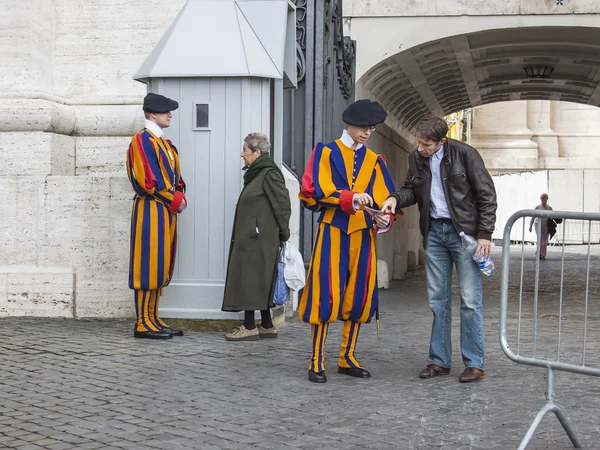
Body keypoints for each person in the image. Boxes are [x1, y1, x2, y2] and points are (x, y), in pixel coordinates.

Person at [381, 114, 497, 383]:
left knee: (470, 299)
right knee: (437, 300)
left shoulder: (465, 154)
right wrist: (394, 199)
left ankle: (474, 363)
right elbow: (411, 189)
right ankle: (439, 361)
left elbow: (486, 194)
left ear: (442, 141)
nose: (420, 148)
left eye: (426, 145)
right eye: (418, 143)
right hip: (433, 232)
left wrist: (484, 234)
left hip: (464, 234)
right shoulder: (416, 158)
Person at [299, 99, 398, 383]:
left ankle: (347, 355)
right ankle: (316, 358)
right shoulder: (325, 152)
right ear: (350, 124)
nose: (368, 133)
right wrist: (350, 198)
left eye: (372, 129)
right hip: (333, 229)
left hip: (364, 234)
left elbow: (385, 198)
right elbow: (312, 192)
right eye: (364, 128)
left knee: (359, 296)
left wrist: (383, 218)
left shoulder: (375, 160)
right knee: (325, 293)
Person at [126, 93, 187, 339]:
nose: (170, 115)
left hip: (164, 210)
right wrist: (174, 199)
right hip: (150, 208)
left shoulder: (163, 143)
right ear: (152, 114)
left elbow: (175, 178)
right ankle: (142, 322)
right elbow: (147, 180)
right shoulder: (142, 141)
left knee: (161, 263)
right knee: (146, 265)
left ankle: (153, 317)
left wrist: (179, 196)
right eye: (165, 111)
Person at [222, 133, 291, 341]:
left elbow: (282, 204)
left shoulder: (268, 173)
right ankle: (267, 325)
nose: (242, 154)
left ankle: (250, 326)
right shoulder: (256, 174)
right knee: (254, 279)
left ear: (257, 152)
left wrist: (283, 233)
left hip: (259, 239)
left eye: (245, 150)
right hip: (254, 237)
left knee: (252, 279)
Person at [529, 193, 553, 260]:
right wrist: (530, 225)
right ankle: (539, 253)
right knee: (540, 238)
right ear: (541, 199)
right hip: (538, 224)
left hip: (546, 225)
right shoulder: (538, 207)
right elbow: (533, 217)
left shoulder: (549, 208)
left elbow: (552, 218)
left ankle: (543, 254)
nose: (544, 201)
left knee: (544, 240)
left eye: (545, 199)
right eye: (543, 199)